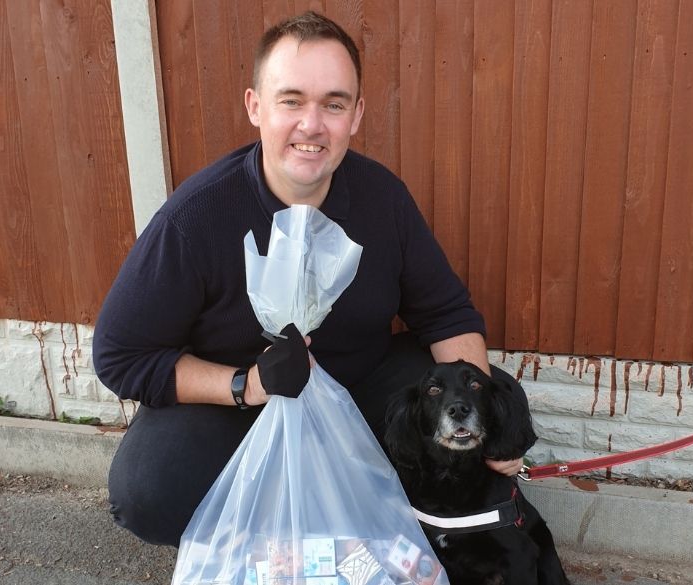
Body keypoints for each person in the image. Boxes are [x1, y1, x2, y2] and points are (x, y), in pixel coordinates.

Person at [92, 11, 526, 548]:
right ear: (255, 106)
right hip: (234, 407)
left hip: (357, 387)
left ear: (357, 115)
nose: (312, 124)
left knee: (452, 391)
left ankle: (390, 535)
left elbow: (446, 315)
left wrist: (482, 424)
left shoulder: (381, 200)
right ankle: (260, 542)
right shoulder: (196, 218)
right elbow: (119, 355)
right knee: (148, 492)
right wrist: (244, 385)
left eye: (334, 104)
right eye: (291, 100)